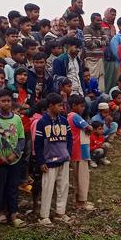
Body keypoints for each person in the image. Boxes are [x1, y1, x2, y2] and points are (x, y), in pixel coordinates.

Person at [34, 92, 73, 225]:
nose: (62, 108)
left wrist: (68, 153)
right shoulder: (42, 122)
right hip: (49, 161)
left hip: (64, 159)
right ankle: (44, 215)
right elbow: (38, 143)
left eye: (62, 105)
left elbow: (69, 139)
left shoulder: (63, 120)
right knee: (48, 187)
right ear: (50, 106)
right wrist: (41, 161)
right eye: (59, 105)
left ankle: (60, 213)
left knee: (63, 186)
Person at [0, 89, 27, 226]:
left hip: (15, 160)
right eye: (3, 101)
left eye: (8, 101)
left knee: (13, 187)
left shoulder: (17, 119)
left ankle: (13, 214)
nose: (6, 103)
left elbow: (21, 139)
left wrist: (15, 154)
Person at [66, 94, 95, 210]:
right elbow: (89, 128)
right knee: (83, 177)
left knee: (77, 178)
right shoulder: (75, 116)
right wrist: (89, 128)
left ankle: (79, 201)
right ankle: (82, 202)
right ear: (74, 106)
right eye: (81, 106)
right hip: (80, 151)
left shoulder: (68, 116)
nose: (83, 109)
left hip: (74, 151)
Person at [82, 13, 107, 90]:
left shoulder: (101, 29)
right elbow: (88, 44)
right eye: (98, 20)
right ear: (92, 21)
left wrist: (95, 41)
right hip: (90, 59)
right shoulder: (87, 29)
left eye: (100, 20)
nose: (100, 22)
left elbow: (107, 42)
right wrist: (100, 42)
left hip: (100, 59)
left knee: (101, 79)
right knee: (91, 79)